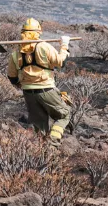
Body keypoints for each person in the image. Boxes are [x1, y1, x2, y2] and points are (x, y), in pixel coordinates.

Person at [6, 18, 72, 146]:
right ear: (38, 32)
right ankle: (53, 140)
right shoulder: (44, 46)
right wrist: (64, 45)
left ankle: (42, 155)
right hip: (46, 89)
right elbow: (61, 63)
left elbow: (12, 77)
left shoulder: (16, 53)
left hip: (28, 93)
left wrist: (22, 85)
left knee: (40, 128)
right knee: (64, 115)